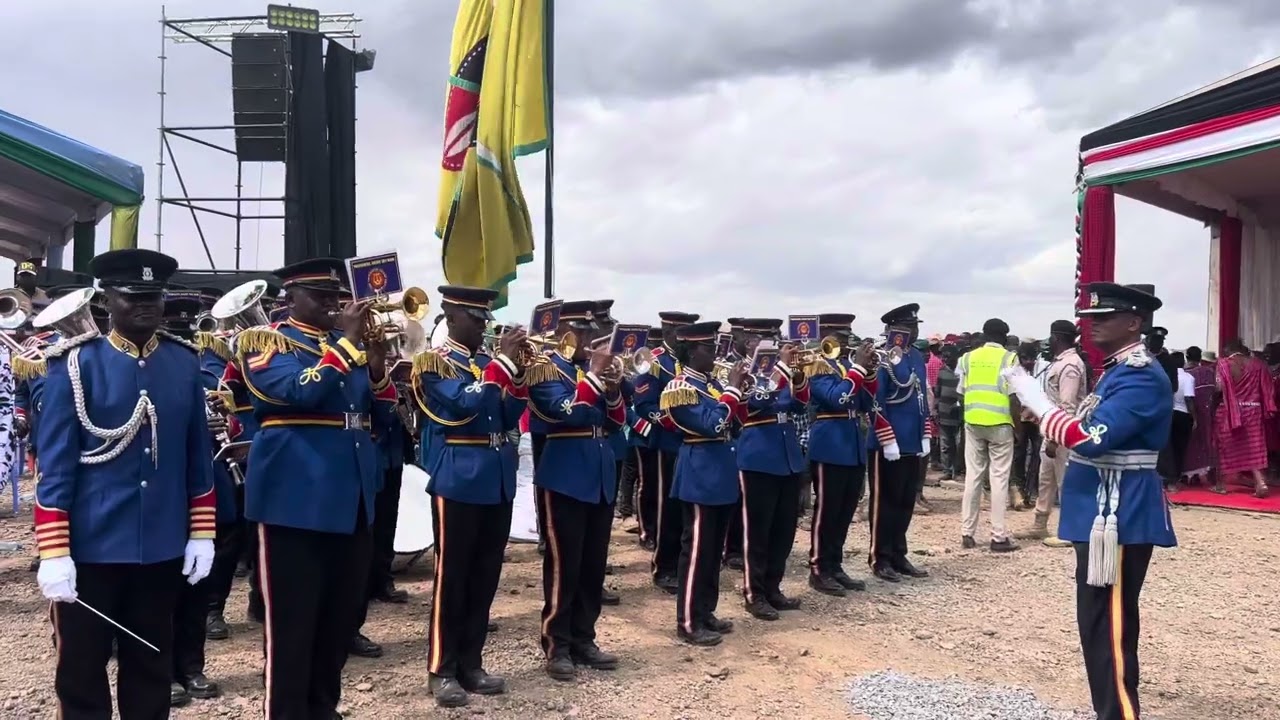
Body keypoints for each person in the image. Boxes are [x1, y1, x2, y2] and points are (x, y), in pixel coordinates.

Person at [35, 248, 216, 720]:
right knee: (81, 667)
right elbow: (55, 466)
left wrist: (201, 532)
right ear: (106, 300)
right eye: (132, 295)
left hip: (160, 542)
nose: (145, 305)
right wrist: (54, 551)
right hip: (90, 545)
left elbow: (197, 457)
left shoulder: (182, 363)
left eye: (153, 295)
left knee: (151, 662)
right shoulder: (75, 364)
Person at [1006, 281, 1176, 720]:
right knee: (1099, 626)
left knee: (1109, 629)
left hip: (1118, 510)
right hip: (1104, 509)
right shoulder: (1118, 371)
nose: (1092, 324)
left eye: (1104, 317)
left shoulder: (1138, 374)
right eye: (1090, 317)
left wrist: (1036, 401)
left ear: (1134, 322)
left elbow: (1089, 438)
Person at [238, 258, 398, 719]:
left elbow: (383, 414)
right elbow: (299, 391)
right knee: (292, 625)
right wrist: (348, 345)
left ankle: (323, 708)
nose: (333, 303)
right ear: (291, 299)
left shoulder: (344, 348)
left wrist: (376, 365)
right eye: (321, 296)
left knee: (338, 620)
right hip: (295, 500)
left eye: (336, 295)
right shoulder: (267, 342)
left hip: (351, 498)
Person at [415, 285, 527, 707]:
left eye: (486, 319)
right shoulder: (435, 362)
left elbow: (508, 415)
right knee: (453, 578)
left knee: (484, 577)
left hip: (496, 476)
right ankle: (441, 668)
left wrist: (519, 377)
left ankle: (471, 662)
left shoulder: (486, 363)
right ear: (452, 317)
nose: (484, 326)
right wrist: (502, 367)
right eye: (477, 319)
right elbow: (462, 404)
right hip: (460, 477)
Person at [526, 300, 623, 681]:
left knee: (592, 565)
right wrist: (595, 376)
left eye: (592, 333)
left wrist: (612, 388)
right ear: (565, 333)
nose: (591, 341)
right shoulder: (546, 369)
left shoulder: (588, 371)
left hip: (598, 472)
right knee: (564, 567)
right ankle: (557, 644)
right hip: (565, 474)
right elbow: (565, 412)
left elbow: (616, 421)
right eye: (583, 333)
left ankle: (584, 637)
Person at [161, 292, 233, 707]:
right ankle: (164, 670)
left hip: (202, 485)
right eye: (176, 332)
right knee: (161, 588)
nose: (186, 341)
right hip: (161, 489)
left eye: (189, 333)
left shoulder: (200, 369)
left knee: (196, 581)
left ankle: (192, 666)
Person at [660, 320, 745, 646]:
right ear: (693, 351)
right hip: (700, 473)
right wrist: (733, 391)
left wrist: (741, 393)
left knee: (713, 550)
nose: (716, 354)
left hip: (721, 471)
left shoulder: (712, 385)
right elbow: (712, 425)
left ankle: (705, 610)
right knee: (695, 550)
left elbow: (736, 423)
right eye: (710, 349)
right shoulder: (679, 388)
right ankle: (687, 620)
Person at [733, 318, 807, 619]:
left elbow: (800, 405)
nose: (773, 344)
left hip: (786, 455)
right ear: (750, 342)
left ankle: (773, 587)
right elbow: (758, 402)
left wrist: (799, 377)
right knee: (757, 531)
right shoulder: (741, 372)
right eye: (765, 338)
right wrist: (784, 370)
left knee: (784, 529)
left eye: (774, 338)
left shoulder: (780, 371)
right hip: (758, 457)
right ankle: (754, 592)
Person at [805, 313, 882, 595]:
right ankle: (818, 568)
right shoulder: (814, 363)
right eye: (840, 334)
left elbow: (866, 401)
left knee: (845, 510)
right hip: (829, 441)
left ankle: (835, 565)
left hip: (851, 441)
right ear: (825, 334)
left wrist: (869, 372)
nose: (846, 339)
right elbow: (836, 398)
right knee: (827, 511)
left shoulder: (847, 365)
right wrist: (858, 369)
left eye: (848, 333)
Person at [631, 310, 699, 591]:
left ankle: (686, 563)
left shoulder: (693, 360)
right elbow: (643, 404)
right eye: (684, 334)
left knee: (690, 507)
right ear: (670, 332)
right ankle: (664, 567)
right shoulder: (654, 361)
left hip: (695, 443)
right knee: (668, 508)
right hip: (669, 442)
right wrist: (671, 420)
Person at [866, 304, 932, 580]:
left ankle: (898, 553)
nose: (914, 331)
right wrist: (886, 438)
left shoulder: (915, 355)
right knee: (885, 502)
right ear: (894, 328)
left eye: (915, 326)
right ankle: (880, 557)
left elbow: (920, 397)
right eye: (909, 326)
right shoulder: (882, 357)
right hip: (889, 442)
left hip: (911, 440)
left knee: (905, 501)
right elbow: (876, 401)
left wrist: (925, 433)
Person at [956, 318, 1021, 552]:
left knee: (973, 477)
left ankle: (967, 533)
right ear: (1003, 337)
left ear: (984, 336)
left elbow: (961, 392)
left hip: (973, 422)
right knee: (999, 479)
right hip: (1000, 424)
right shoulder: (1009, 358)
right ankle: (998, 537)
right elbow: (1014, 397)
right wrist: (1017, 428)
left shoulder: (967, 358)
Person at [1032, 321, 1087, 549]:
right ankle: (1039, 524)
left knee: (1066, 481)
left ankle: (1069, 531)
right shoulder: (1059, 362)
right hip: (1052, 429)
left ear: (1057, 338)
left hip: (1064, 432)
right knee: (1046, 479)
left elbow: (1068, 406)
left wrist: (1055, 439)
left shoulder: (1070, 365)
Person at [1213, 338, 1276, 497]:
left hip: (1229, 411)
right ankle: (1260, 482)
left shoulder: (1224, 364)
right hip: (1253, 410)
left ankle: (1220, 485)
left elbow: (1219, 387)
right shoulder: (1258, 364)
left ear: (1228, 350)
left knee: (1224, 447)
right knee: (1254, 448)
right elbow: (1267, 387)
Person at [1011, 341, 1042, 509]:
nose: (1029, 362)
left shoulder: (1041, 370)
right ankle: (1019, 490)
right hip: (1020, 419)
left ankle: (1032, 490)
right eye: (1025, 358)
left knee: (1037, 454)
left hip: (1037, 418)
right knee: (1019, 454)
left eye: (1032, 358)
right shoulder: (1013, 373)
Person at [1181, 346, 1216, 484]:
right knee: (1204, 442)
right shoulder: (1208, 372)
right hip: (1207, 413)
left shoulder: (1184, 374)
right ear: (1200, 357)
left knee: (1189, 444)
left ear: (1187, 357)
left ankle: (1187, 475)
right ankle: (1201, 473)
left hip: (1188, 412)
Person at [933, 345, 963, 480]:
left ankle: (957, 471)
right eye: (943, 357)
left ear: (956, 357)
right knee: (945, 444)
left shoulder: (961, 372)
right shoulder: (941, 372)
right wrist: (935, 410)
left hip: (959, 414)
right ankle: (947, 471)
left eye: (948, 357)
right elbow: (937, 393)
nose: (945, 359)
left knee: (958, 444)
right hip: (944, 413)